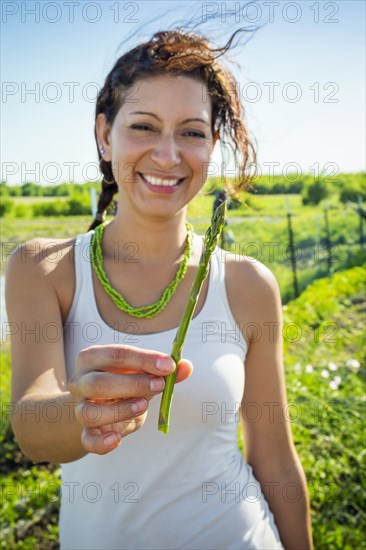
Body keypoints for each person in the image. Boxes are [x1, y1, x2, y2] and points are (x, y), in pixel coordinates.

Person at [6, 28, 313, 550]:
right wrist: (84, 407)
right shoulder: (43, 268)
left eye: (191, 132)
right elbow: (33, 430)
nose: (168, 155)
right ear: (105, 135)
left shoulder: (248, 285)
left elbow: (275, 458)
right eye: (144, 126)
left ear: (213, 146)